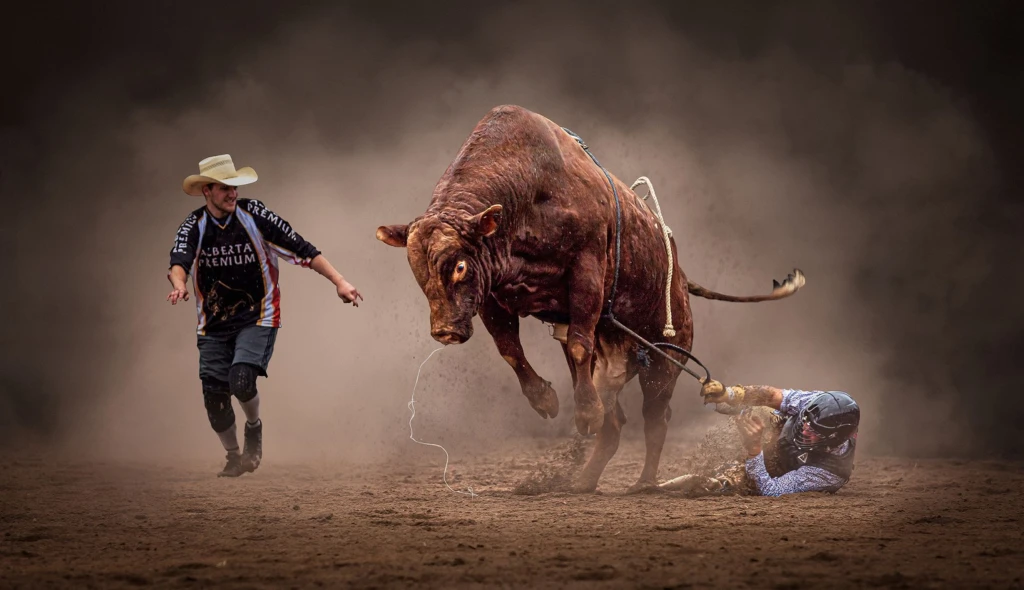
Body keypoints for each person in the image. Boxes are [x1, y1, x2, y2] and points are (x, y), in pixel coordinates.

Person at [166, 154, 363, 477]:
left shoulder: (254, 215)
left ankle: (254, 428)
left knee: (241, 380)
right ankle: (233, 455)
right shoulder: (194, 226)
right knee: (214, 401)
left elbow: (302, 248)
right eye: (225, 188)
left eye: (235, 187)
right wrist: (178, 285)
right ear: (207, 191)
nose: (233, 193)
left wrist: (340, 281)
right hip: (213, 324)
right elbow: (179, 261)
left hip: (258, 316)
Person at [658, 380, 860, 496]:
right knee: (762, 411)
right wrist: (730, 393)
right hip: (779, 437)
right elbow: (773, 397)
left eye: (813, 431)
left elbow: (771, 490)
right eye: (805, 422)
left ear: (835, 439)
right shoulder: (815, 403)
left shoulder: (828, 473)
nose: (805, 429)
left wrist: (754, 448)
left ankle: (718, 481)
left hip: (782, 470)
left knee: (727, 484)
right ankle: (727, 406)